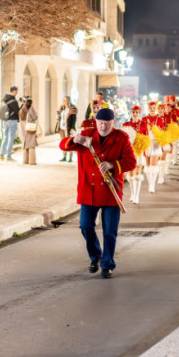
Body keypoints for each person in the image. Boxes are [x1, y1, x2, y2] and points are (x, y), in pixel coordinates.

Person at [60, 108, 136, 279]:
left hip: (111, 192)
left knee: (110, 231)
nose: (103, 126)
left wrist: (112, 165)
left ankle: (107, 264)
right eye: (100, 123)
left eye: (107, 124)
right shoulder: (87, 134)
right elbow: (63, 145)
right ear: (96, 122)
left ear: (113, 123)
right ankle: (95, 256)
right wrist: (73, 139)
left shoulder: (121, 138)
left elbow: (131, 162)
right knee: (85, 226)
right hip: (89, 191)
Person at [120, 105, 150, 204]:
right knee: (131, 174)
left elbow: (146, 139)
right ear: (131, 113)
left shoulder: (144, 124)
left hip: (140, 152)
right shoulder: (125, 124)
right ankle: (133, 193)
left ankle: (136, 196)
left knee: (138, 174)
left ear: (140, 114)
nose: (135, 114)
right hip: (130, 152)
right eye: (133, 112)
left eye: (137, 112)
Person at [0, 86, 20, 161]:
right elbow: (18, 111)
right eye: (16, 91)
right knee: (11, 138)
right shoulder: (13, 100)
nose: (17, 92)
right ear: (14, 91)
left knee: (5, 137)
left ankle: (1, 155)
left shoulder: (5, 98)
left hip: (5, 120)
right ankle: (8, 156)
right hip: (12, 120)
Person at [57, 96, 78, 162]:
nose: (64, 101)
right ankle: (64, 156)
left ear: (68, 100)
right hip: (61, 128)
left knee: (69, 142)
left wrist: (72, 127)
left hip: (68, 128)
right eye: (63, 100)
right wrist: (57, 117)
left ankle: (70, 157)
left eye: (65, 100)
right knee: (63, 142)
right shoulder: (61, 108)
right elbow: (58, 116)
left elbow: (74, 119)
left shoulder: (72, 109)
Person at [19, 98, 39, 165]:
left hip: (24, 130)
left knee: (25, 145)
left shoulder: (21, 110)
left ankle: (25, 160)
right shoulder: (30, 110)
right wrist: (34, 110)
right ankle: (32, 161)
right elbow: (35, 117)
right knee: (31, 146)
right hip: (30, 129)